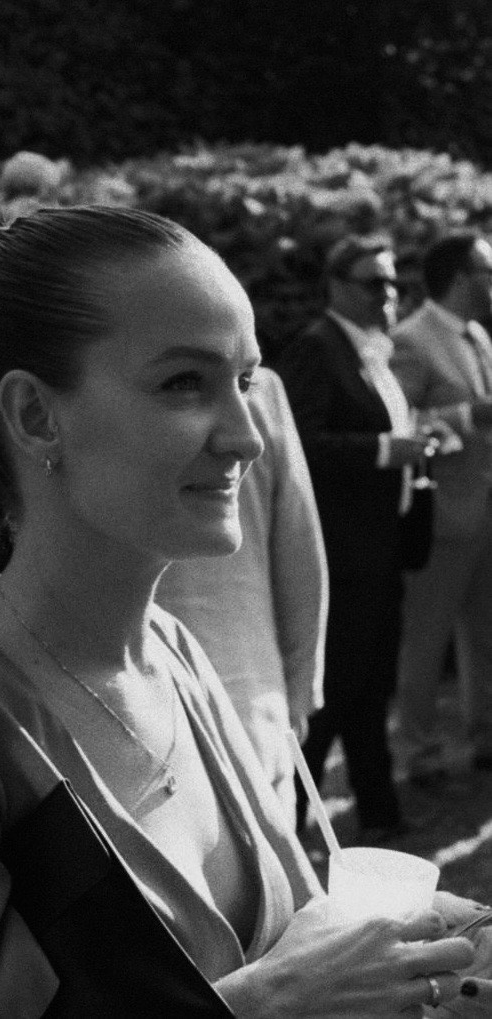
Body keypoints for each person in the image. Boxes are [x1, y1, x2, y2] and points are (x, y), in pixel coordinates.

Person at [0, 208, 486, 1017]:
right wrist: (264, 1005)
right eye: (184, 382)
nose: (247, 437)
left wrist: (411, 962)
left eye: (245, 381)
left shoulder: (176, 658)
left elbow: (294, 949)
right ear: (35, 415)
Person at [274, 234, 432, 844]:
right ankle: (290, 828)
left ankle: (380, 813)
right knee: (334, 692)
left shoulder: (373, 350)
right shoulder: (317, 348)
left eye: (394, 282)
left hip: (383, 545)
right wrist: (387, 449)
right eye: (374, 282)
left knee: (371, 689)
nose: (388, 294)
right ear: (337, 286)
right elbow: (299, 446)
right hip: (341, 552)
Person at [157, 366, 327, 827]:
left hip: (251, 704)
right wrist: (298, 687)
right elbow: (301, 556)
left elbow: (299, 550)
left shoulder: (263, 390)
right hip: (249, 703)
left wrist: (296, 691)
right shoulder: (260, 392)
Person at [390, 231, 492, 783]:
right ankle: (418, 754)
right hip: (443, 519)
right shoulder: (410, 339)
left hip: (487, 512)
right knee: (425, 641)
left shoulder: (479, 335)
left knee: (486, 636)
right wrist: (469, 416)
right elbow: (397, 422)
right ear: (460, 279)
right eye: (488, 273)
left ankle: (485, 739)